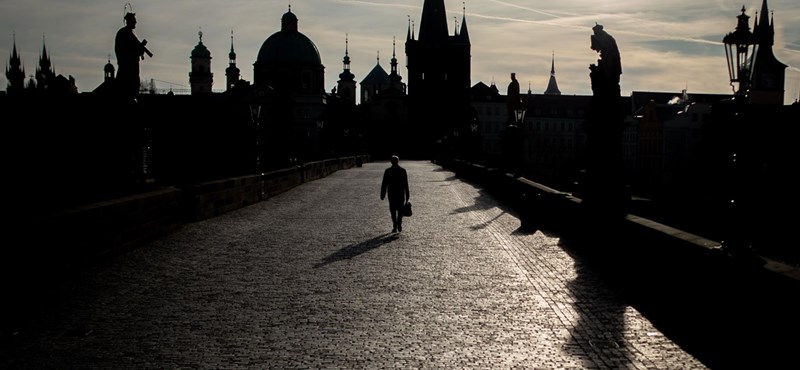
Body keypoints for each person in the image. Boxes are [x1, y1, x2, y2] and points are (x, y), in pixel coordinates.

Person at [115, 12, 151, 98]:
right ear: (129, 21)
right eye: (134, 21)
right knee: (126, 90)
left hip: (133, 68)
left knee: (133, 89)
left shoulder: (131, 35)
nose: (136, 22)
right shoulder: (123, 33)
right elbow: (126, 50)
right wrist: (141, 46)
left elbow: (136, 51)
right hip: (127, 68)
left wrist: (141, 48)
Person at [380, 155, 410, 233]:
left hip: (392, 193)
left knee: (393, 210)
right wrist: (407, 195)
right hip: (400, 193)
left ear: (391, 162)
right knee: (400, 210)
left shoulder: (388, 171)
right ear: (398, 161)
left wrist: (382, 194)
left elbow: (384, 184)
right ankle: (398, 223)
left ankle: (395, 225)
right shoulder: (402, 171)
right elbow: (406, 184)